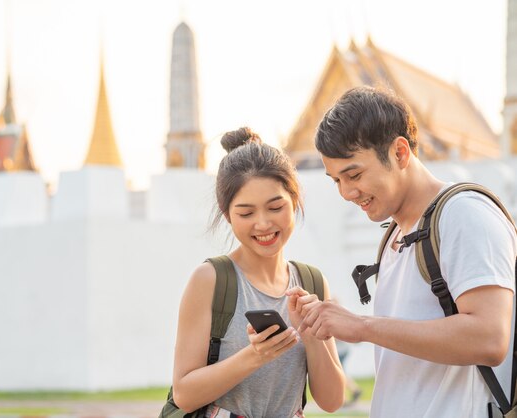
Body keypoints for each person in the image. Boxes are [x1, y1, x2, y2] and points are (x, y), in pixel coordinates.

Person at [299, 86, 516, 417]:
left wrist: (362, 326)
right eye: (335, 180)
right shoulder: (395, 234)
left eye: (353, 174)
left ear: (400, 153)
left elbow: (489, 339)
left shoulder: (464, 214)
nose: (346, 192)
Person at [171, 127, 345, 417]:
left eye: (275, 207)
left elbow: (332, 400)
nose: (263, 224)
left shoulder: (311, 283)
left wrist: (312, 334)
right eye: (246, 213)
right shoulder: (210, 280)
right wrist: (255, 355)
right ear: (227, 215)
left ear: (294, 199)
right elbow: (184, 395)